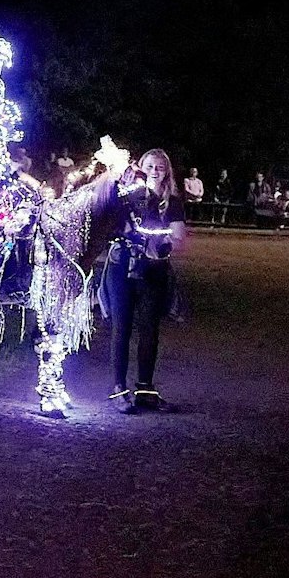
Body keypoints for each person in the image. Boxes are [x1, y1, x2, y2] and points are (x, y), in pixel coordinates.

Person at [102, 148, 187, 413]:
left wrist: (164, 240)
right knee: (122, 327)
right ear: (140, 168)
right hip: (122, 268)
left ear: (167, 172)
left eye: (160, 167)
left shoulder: (171, 201)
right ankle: (119, 390)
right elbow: (115, 226)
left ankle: (145, 390)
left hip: (153, 271)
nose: (154, 172)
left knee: (150, 330)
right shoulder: (127, 197)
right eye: (149, 166)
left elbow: (179, 235)